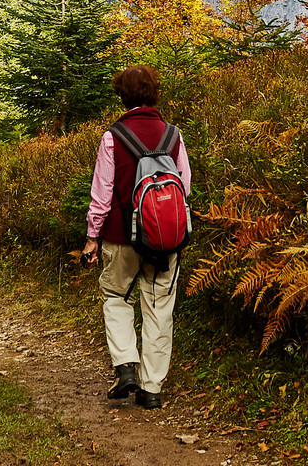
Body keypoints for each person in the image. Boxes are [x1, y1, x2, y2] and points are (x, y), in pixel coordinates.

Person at [80, 65, 191, 410]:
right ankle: (152, 389)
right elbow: (184, 187)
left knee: (115, 296)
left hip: (120, 237)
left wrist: (91, 238)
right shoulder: (173, 135)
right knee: (159, 310)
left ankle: (126, 365)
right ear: (155, 93)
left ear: (122, 96)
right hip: (165, 240)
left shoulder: (113, 136)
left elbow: (102, 193)